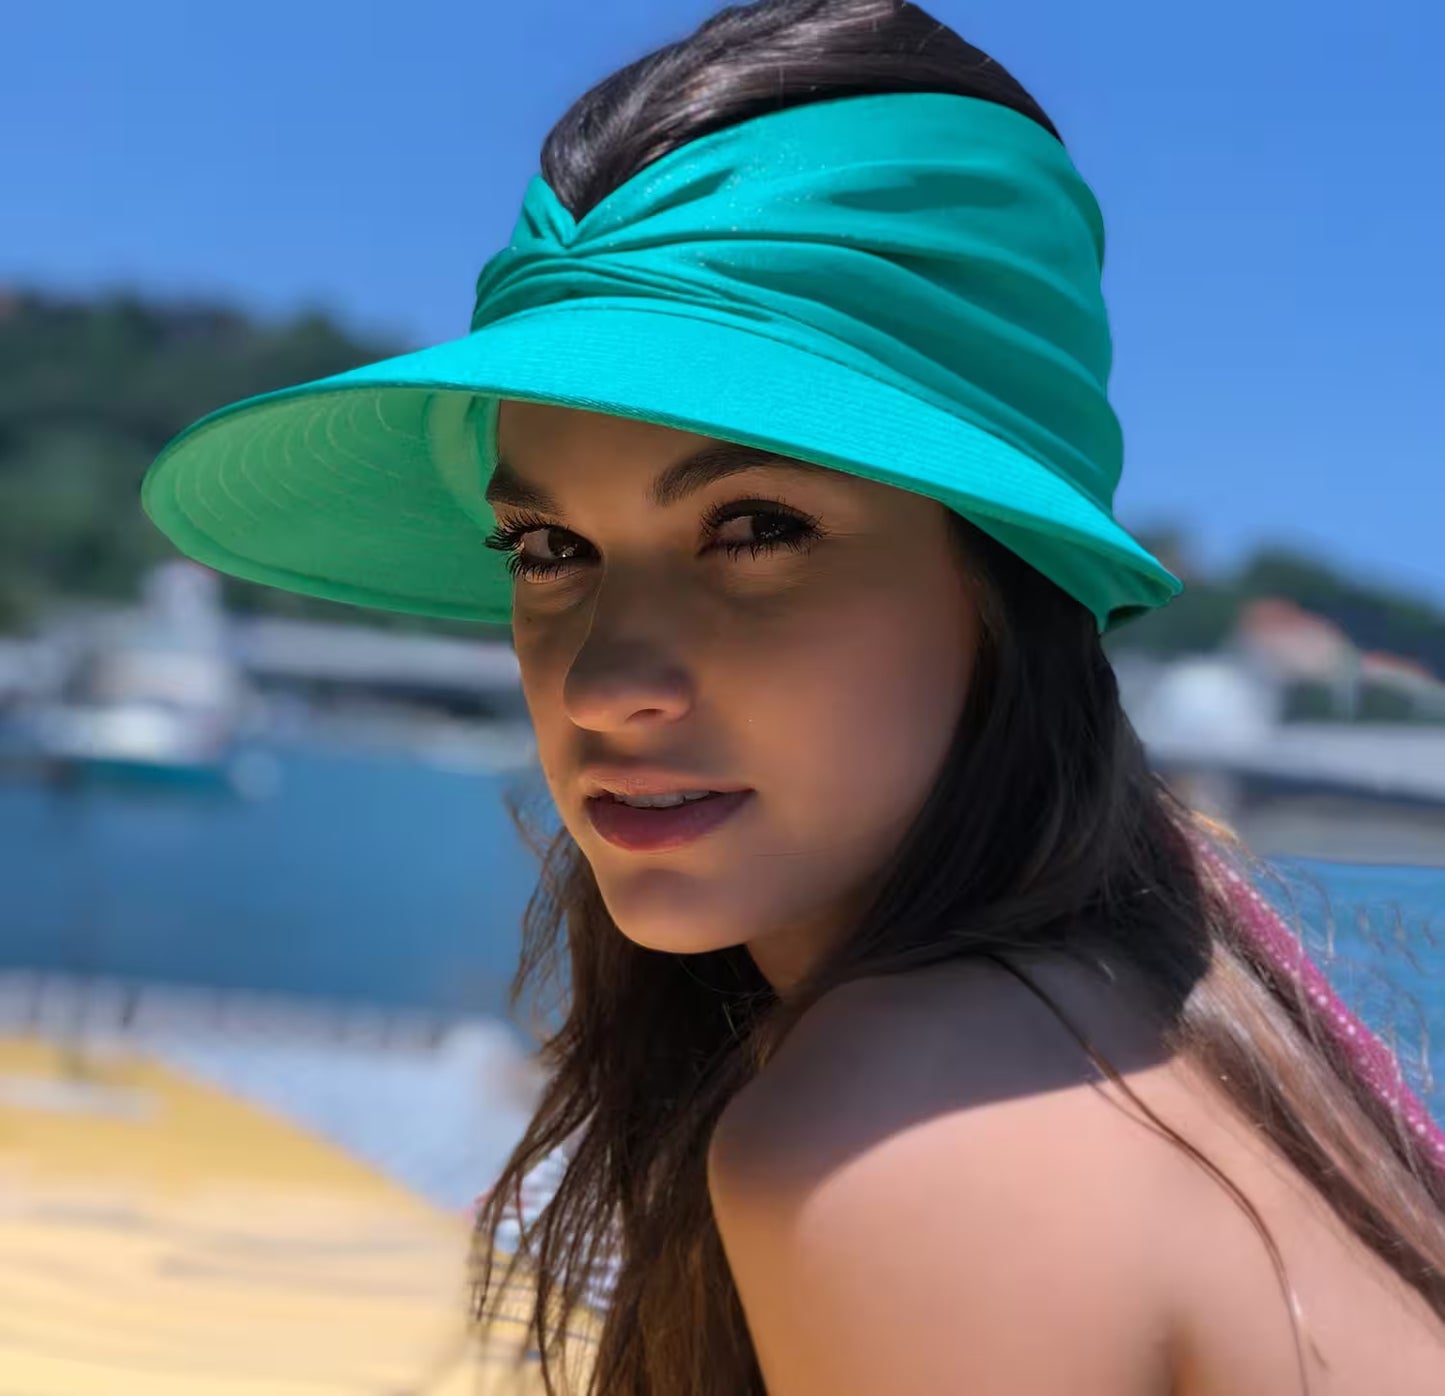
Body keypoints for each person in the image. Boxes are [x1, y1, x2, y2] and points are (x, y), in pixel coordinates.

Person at [140, 2, 1445, 1392]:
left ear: (1001, 587)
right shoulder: (1161, 1023)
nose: (601, 680)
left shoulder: (909, 1130)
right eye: (548, 550)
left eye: (756, 529)